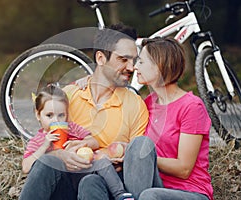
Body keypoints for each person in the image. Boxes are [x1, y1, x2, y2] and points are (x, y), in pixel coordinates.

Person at [19, 23, 149, 200]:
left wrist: (104, 156)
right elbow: (46, 138)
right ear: (101, 58)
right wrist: (60, 155)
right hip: (66, 186)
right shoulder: (69, 95)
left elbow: (136, 160)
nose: (131, 67)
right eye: (123, 59)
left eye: (134, 60)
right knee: (49, 161)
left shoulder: (135, 105)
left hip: (103, 187)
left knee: (90, 182)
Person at [123, 37, 213, 199]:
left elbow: (184, 169)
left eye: (141, 62)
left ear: (160, 65)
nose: (135, 67)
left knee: (150, 196)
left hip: (189, 191)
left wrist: (144, 158)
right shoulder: (148, 103)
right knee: (94, 182)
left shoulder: (192, 107)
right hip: (153, 184)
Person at [21, 84, 134, 200]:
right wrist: (45, 146)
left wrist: (82, 144)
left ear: (67, 114)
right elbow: (26, 167)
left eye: (61, 115)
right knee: (46, 161)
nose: (56, 120)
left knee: (102, 163)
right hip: (62, 186)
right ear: (38, 115)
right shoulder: (38, 140)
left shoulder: (72, 128)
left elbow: (94, 142)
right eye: (49, 115)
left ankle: (121, 194)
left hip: (83, 176)